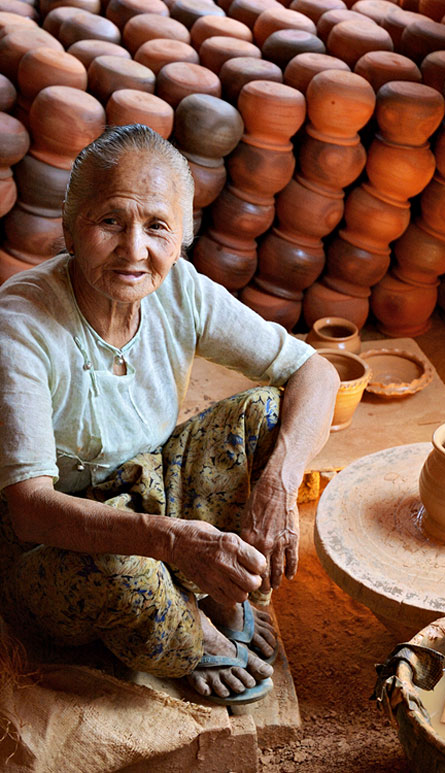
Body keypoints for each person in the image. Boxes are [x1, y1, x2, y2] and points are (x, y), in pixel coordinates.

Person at [0, 125, 339, 705]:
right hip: (52, 542)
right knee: (119, 572)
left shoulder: (179, 289)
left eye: (157, 226)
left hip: (148, 489)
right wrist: (176, 545)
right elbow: (31, 512)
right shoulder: (21, 325)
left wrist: (281, 484)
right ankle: (186, 628)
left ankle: (196, 585)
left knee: (267, 412)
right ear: (69, 226)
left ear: (182, 235)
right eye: (110, 221)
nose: (135, 249)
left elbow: (317, 372)